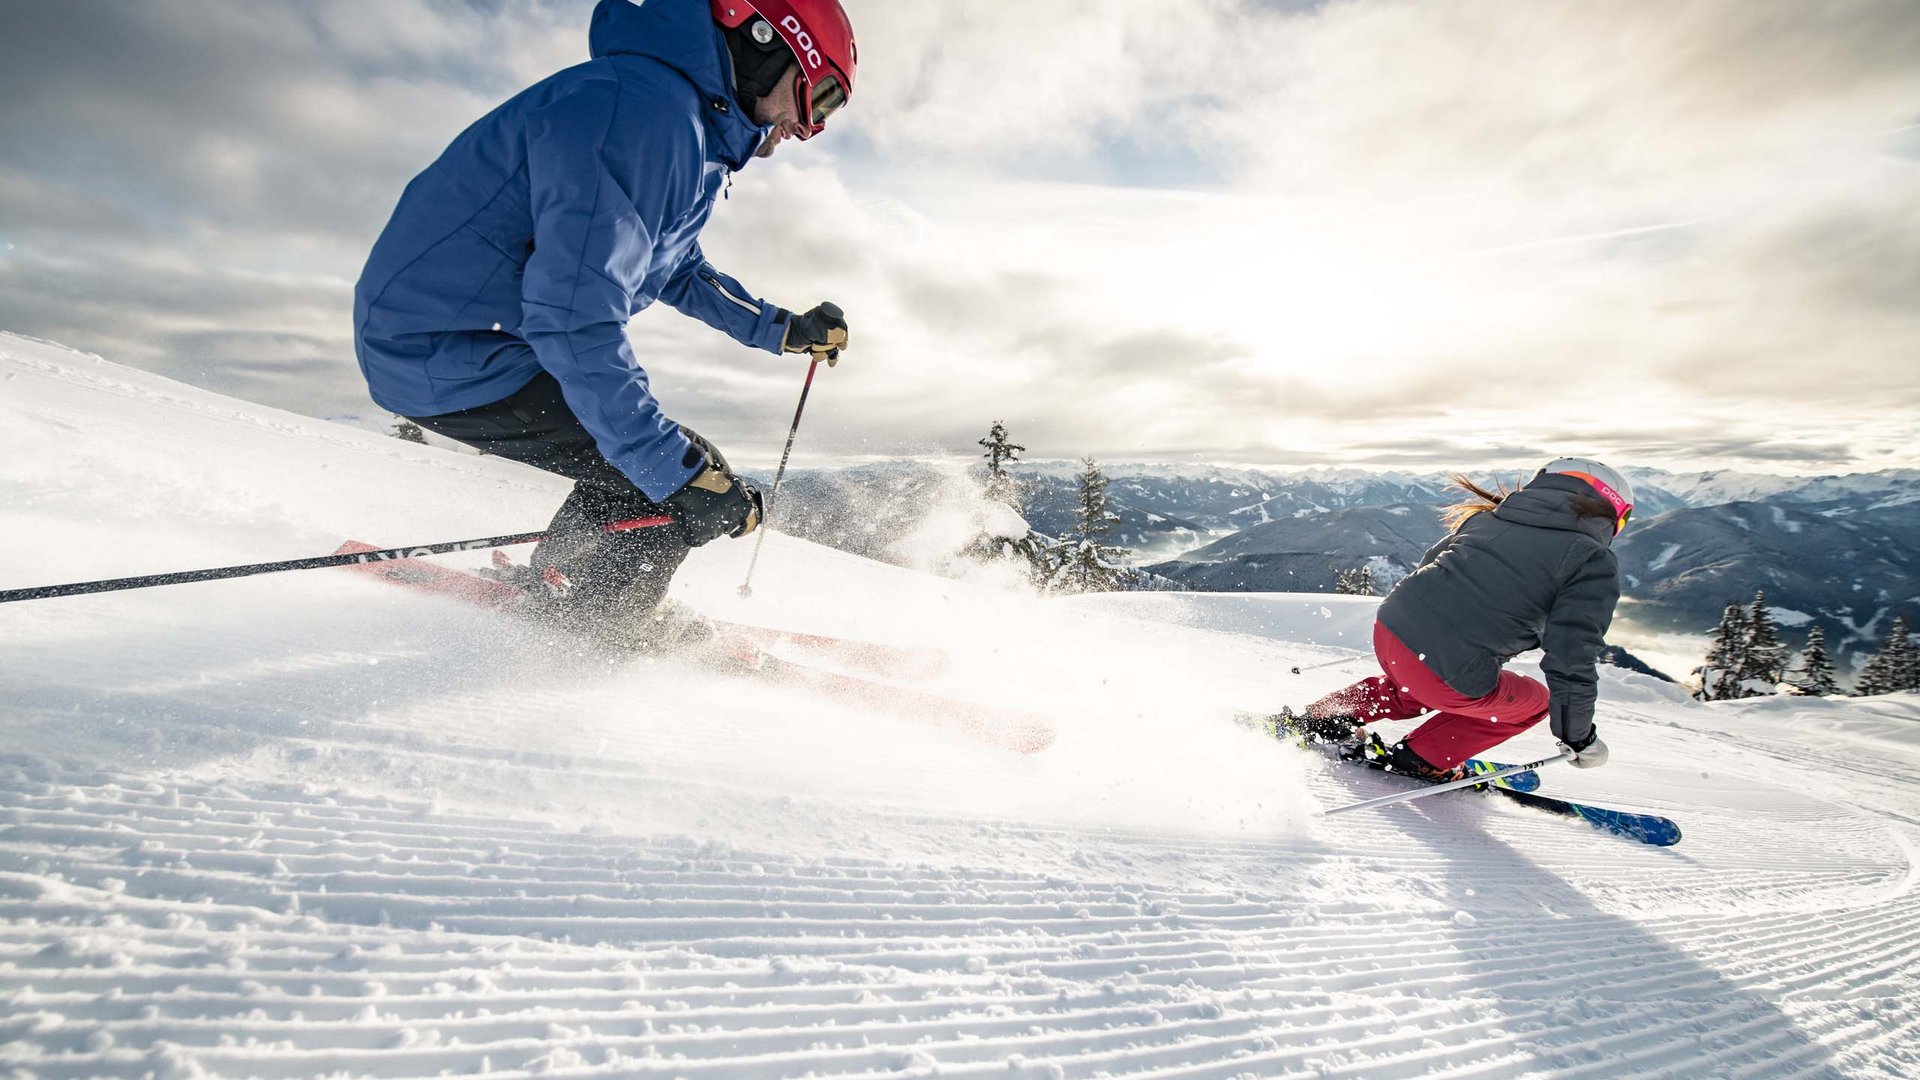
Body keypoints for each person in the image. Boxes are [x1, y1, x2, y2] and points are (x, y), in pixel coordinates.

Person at [351, 0, 857, 646]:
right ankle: (596, 633)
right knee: (671, 477)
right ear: (763, 41)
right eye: (815, 98)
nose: (806, 128)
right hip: (433, 345)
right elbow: (570, 320)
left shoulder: (682, 122)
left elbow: (675, 268)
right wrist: (672, 475)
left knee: (661, 464)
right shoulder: (648, 119)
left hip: (451, 332)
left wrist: (783, 329)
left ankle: (565, 580)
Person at [1276, 459, 1633, 778]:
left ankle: (1322, 717)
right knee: (1533, 702)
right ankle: (1421, 758)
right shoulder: (1591, 558)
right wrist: (1578, 737)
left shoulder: (1488, 520)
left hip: (1390, 630)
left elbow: (1431, 567)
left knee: (1415, 685)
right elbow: (1571, 655)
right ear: (1612, 510)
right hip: (1445, 665)